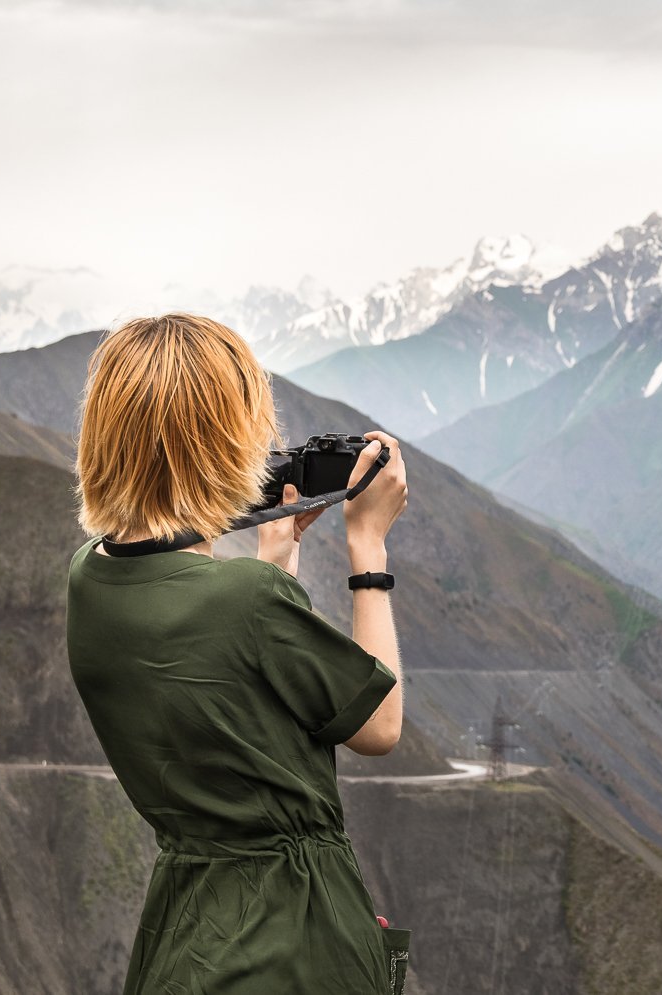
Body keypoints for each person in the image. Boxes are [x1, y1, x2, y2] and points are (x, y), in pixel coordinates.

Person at [65, 312, 410, 994]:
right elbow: (381, 725)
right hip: (289, 948)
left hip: (187, 930)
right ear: (222, 443)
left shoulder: (88, 577)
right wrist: (368, 548)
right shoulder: (246, 600)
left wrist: (276, 560)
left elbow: (222, 697)